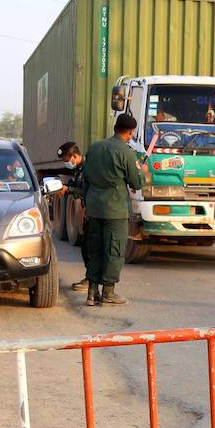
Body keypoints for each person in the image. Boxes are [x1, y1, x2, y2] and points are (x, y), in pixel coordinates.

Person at [82, 113, 147, 306]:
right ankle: (108, 292)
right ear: (130, 132)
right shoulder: (126, 152)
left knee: (95, 249)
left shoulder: (94, 148)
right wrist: (142, 172)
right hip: (115, 209)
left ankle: (92, 292)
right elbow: (136, 183)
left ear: (115, 128)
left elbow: (85, 179)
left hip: (94, 208)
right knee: (114, 250)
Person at [56, 141, 90, 291]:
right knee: (85, 247)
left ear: (74, 156)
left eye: (66, 160)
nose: (66, 164)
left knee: (90, 248)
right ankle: (90, 279)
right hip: (86, 211)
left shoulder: (89, 167)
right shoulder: (78, 169)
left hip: (92, 211)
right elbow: (77, 186)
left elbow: (87, 191)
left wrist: (68, 189)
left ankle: (92, 281)